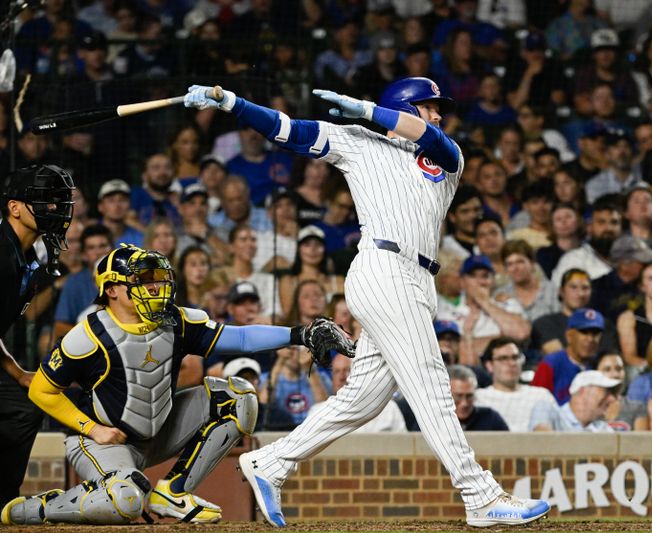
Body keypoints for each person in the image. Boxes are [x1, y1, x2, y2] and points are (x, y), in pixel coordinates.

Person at [183, 78, 551, 526]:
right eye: (428, 106)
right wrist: (232, 102)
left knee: (363, 400)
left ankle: (271, 462)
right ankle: (479, 494)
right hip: (383, 268)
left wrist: (367, 109)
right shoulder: (356, 142)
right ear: (404, 107)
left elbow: (431, 138)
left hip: (418, 278)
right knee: (432, 386)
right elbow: (288, 130)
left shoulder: (445, 154)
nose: (438, 114)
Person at [2, 245, 354, 525]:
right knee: (125, 501)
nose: (154, 287)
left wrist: (300, 333)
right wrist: (92, 429)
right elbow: (41, 390)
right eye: (141, 281)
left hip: (158, 431)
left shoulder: (177, 320)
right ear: (111, 290)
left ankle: (173, 491)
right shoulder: (88, 335)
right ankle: (35, 510)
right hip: (103, 440)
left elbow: (243, 337)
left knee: (237, 397)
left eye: (156, 278)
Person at [0, 165, 74, 509]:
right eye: (44, 201)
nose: (54, 210)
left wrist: (17, 373)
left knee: (25, 407)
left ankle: (2, 503)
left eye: (58, 202)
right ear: (15, 207)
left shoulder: (28, 255)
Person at [474, 338, 556, 432]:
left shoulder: (541, 395)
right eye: (503, 358)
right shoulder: (478, 398)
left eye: (515, 357)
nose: (512, 363)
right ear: (490, 365)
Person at [309, 354, 407, 433]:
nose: (341, 377)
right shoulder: (318, 412)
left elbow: (404, 448)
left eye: (347, 370)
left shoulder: (389, 409)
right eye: (337, 372)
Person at [532, 308, 605, 405]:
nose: (590, 339)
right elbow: (535, 403)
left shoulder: (600, 365)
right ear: (569, 335)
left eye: (595, 333)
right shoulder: (551, 364)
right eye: (584, 332)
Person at [530, 370, 621, 432]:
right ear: (583, 391)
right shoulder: (547, 410)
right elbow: (542, 444)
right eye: (606, 391)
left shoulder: (602, 428)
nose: (612, 399)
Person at [531, 268, 592, 357]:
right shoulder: (544, 324)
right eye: (573, 287)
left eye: (585, 288)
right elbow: (557, 357)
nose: (580, 294)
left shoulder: (604, 325)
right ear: (561, 291)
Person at [594, 352, 649, 431]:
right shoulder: (588, 410)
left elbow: (641, 442)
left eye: (619, 369)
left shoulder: (638, 408)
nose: (615, 374)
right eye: (607, 369)